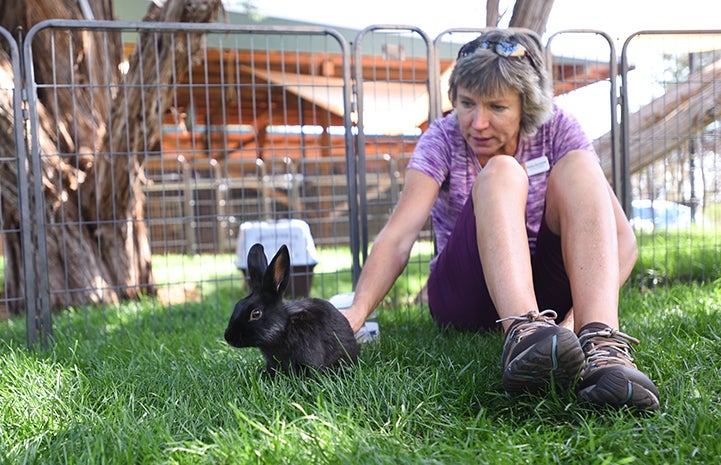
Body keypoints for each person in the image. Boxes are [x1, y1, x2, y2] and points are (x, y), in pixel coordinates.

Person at [342, 28, 660, 411]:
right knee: (503, 171)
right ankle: (521, 335)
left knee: (579, 165)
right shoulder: (441, 138)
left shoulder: (558, 127)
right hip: (465, 295)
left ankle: (604, 348)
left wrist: (570, 325)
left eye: (496, 107)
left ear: (526, 106)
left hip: (550, 302)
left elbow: (624, 242)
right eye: (466, 103)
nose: (477, 123)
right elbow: (398, 236)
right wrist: (355, 315)